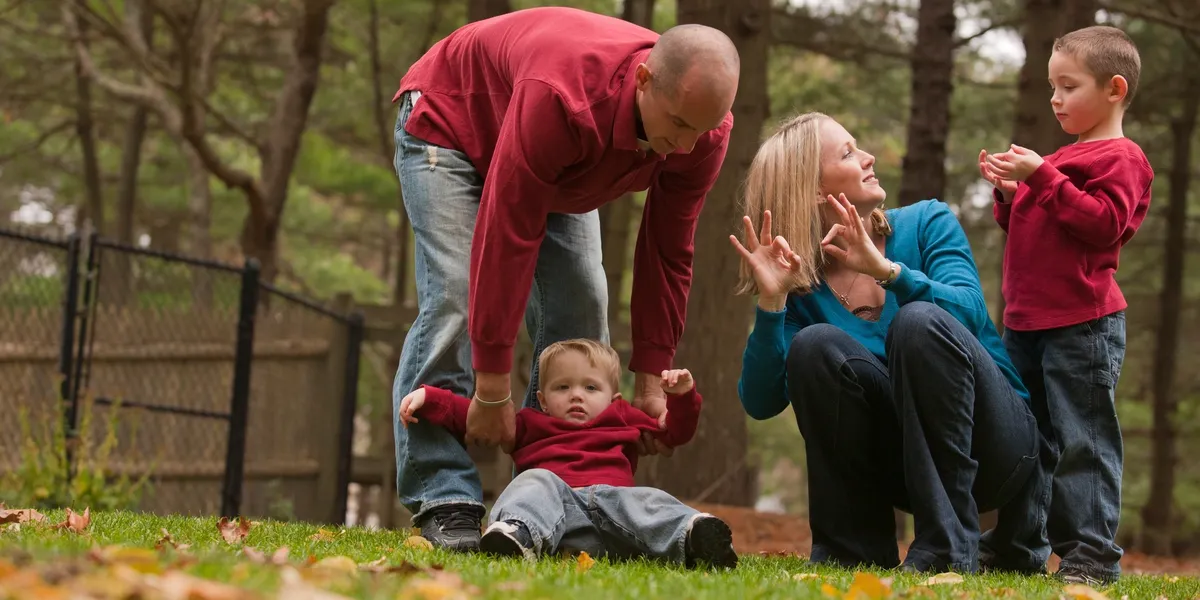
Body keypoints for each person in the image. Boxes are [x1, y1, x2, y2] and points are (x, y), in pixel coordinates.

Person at [388, 6, 740, 550]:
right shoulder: (564, 95)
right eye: (679, 126)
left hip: (561, 161)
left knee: (582, 306)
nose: (688, 146)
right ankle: (445, 496)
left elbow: (669, 250)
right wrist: (491, 389)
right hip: (454, 123)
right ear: (645, 79)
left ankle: (554, 497)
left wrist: (650, 379)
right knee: (456, 299)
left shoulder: (700, 128)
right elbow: (508, 232)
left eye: (703, 130)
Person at [730, 112, 1050, 574]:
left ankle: (946, 551)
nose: (868, 157)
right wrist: (772, 301)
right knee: (815, 345)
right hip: (904, 471)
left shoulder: (926, 222)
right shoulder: (802, 289)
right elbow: (760, 402)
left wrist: (888, 272)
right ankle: (850, 553)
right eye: (847, 153)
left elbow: (969, 313)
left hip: (998, 447)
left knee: (919, 322)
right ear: (814, 190)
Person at [979, 25, 1152, 586]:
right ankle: (1017, 544)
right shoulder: (1056, 160)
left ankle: (1092, 554)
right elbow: (1031, 227)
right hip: (1025, 323)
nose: (1054, 98)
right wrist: (1010, 195)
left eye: (1068, 86)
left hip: (1084, 324)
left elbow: (1105, 226)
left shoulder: (1122, 158)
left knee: (1084, 440)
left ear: (1114, 89)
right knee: (1028, 441)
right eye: (1052, 86)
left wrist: (1041, 177)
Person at [397, 339, 738, 568]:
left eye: (590, 387)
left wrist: (682, 398)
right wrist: (430, 398)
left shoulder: (622, 417)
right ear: (543, 399)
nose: (577, 395)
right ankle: (518, 533)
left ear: (613, 398)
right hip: (558, 520)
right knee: (535, 480)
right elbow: (471, 416)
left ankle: (693, 534)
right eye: (563, 387)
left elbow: (673, 433)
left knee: (647, 500)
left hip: (616, 514)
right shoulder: (529, 423)